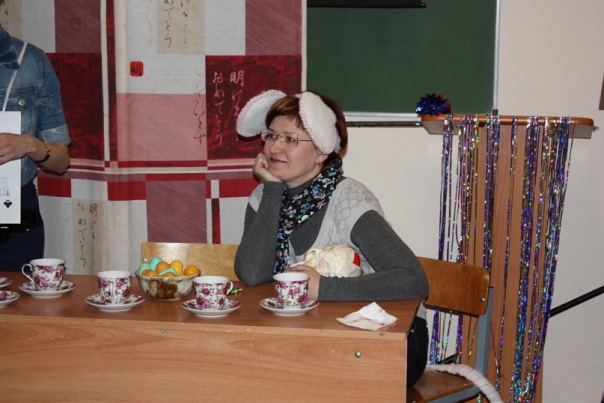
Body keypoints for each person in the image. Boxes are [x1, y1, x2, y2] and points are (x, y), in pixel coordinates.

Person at [234, 89, 429, 388]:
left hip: (387, 341)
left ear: (322, 152)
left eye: (290, 139)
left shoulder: (348, 200)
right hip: (314, 337)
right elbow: (252, 274)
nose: (275, 147)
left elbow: (414, 280)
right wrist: (272, 190)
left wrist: (323, 288)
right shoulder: (263, 197)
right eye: (271, 135)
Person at [0, 25, 70, 271]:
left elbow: (61, 161)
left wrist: (30, 144)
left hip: (15, 224)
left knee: (18, 297)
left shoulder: (31, 61)